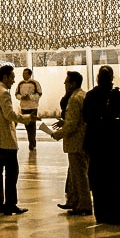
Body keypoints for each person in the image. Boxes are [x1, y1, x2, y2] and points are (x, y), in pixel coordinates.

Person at [0, 65, 33, 215]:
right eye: (12, 77)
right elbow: (9, 114)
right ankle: (10, 204)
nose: (13, 80)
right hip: (5, 139)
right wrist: (27, 118)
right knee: (12, 173)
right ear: (5, 77)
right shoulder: (4, 93)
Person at [82, 66, 120, 225]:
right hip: (113, 142)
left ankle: (101, 214)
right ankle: (116, 213)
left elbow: (87, 117)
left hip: (96, 143)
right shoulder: (116, 95)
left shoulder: (91, 95)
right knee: (115, 179)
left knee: (99, 179)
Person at [50, 71, 91, 216]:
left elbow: (73, 124)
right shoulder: (83, 95)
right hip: (82, 140)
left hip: (75, 141)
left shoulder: (74, 99)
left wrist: (58, 134)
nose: (64, 84)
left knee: (80, 175)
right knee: (77, 174)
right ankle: (76, 202)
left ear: (73, 83)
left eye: (66, 82)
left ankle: (84, 204)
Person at [15, 68, 42, 151]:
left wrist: (30, 97)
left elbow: (39, 93)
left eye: (25, 74)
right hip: (24, 107)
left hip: (33, 107)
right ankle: (31, 141)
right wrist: (21, 97)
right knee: (27, 126)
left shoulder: (35, 83)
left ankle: (32, 143)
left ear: (29, 74)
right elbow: (16, 94)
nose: (24, 75)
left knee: (32, 126)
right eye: (23, 74)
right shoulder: (20, 83)